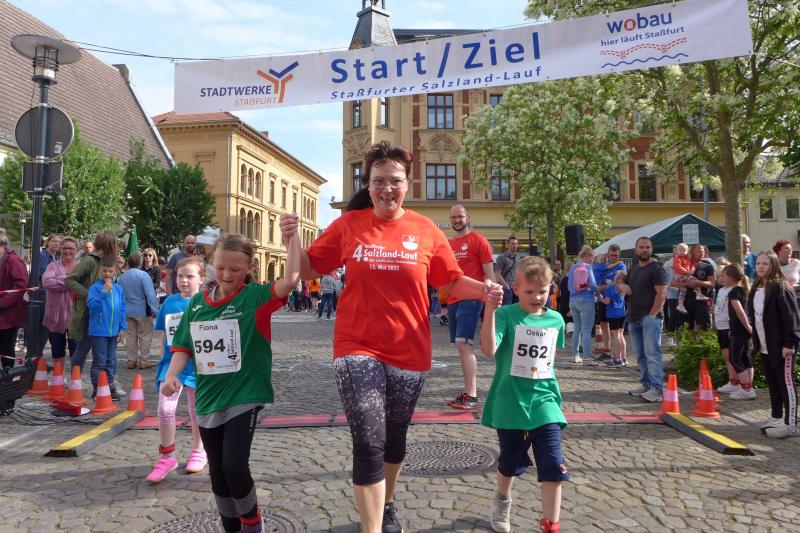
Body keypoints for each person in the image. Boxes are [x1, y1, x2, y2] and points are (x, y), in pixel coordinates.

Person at [295, 141, 502, 533]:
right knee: (368, 440)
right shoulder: (348, 226)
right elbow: (308, 269)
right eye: (378, 181)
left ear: (407, 183)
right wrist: (292, 238)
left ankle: (387, 502)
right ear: (367, 184)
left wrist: (486, 290)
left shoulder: (425, 230)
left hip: (409, 349)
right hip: (356, 346)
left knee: (394, 440)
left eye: (394, 181)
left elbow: (450, 280)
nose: (386, 188)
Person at [163, 228, 299, 533]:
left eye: (235, 270)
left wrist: (291, 239)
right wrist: (171, 374)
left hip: (244, 395)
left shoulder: (255, 298)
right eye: (221, 267)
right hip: (208, 399)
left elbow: (290, 280)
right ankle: (230, 526)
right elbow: (183, 346)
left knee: (234, 466)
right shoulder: (197, 304)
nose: (226, 275)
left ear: (248, 268)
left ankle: (252, 523)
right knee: (218, 474)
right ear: (211, 264)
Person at [479, 256, 569, 533]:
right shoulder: (506, 315)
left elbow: (549, 361)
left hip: (545, 402)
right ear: (516, 288)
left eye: (542, 291)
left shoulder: (555, 319)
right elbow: (488, 350)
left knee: (553, 465)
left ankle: (551, 525)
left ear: (550, 288)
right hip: (510, 402)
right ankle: (502, 499)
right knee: (509, 464)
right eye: (529, 291)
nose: (536, 297)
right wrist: (490, 310)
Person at [147, 257, 207, 483]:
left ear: (201, 279)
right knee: (165, 407)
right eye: (180, 276)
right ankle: (167, 456)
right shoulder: (169, 303)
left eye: (190, 276)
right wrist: (164, 360)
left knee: (196, 409)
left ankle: (199, 450)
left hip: (197, 365)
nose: (184, 280)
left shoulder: (206, 303)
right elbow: (165, 335)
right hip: (171, 364)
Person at [447, 204, 496, 410]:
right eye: (453, 217)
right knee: (461, 347)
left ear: (467, 217)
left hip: (472, 298)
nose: (457, 220)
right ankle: (468, 392)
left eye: (460, 216)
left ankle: (472, 395)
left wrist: (491, 298)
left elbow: (490, 275)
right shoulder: (448, 244)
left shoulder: (479, 241)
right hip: (452, 299)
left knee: (463, 344)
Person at [747, 251, 800, 438]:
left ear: (774, 265)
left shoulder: (780, 287)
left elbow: (791, 318)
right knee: (773, 383)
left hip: (782, 346)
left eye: (766, 264)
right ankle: (777, 417)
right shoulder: (757, 287)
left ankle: (790, 424)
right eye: (758, 263)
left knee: (786, 384)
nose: (761, 267)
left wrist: (789, 343)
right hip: (765, 345)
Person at [65, 231, 124, 395]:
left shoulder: (110, 262)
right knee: (84, 348)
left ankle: (109, 384)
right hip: (89, 312)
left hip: (107, 316)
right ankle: (76, 382)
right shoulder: (90, 260)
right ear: (110, 244)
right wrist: (89, 294)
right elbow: (70, 279)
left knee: (109, 355)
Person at [619, 237, 667, 403]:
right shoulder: (634, 268)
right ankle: (647, 385)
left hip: (650, 319)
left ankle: (657, 389)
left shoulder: (657, 269)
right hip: (634, 319)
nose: (645, 250)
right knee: (640, 355)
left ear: (651, 249)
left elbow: (662, 294)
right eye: (641, 247)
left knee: (652, 354)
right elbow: (620, 282)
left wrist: (652, 315)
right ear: (636, 249)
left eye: (647, 247)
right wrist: (622, 286)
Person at [86, 255, 127, 400]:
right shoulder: (95, 288)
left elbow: (122, 308)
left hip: (113, 331)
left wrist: (122, 327)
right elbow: (92, 306)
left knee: (110, 361)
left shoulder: (119, 289)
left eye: (110, 271)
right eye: (104, 271)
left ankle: (109, 386)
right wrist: (104, 292)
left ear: (115, 271)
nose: (107, 274)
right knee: (99, 361)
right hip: (99, 331)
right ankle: (97, 387)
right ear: (100, 271)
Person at [714, 264, 755, 400]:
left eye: (724, 276)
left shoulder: (733, 292)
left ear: (731, 277)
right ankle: (748, 387)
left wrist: (747, 327)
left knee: (735, 358)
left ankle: (746, 389)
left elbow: (740, 312)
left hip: (738, 329)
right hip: (740, 329)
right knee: (744, 357)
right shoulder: (741, 290)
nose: (722, 278)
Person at [117, 252, 159, 370]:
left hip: (127, 311)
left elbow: (119, 295)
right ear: (140, 262)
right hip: (143, 311)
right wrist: (155, 310)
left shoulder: (121, 277)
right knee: (145, 336)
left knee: (130, 336)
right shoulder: (143, 275)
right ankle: (143, 360)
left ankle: (131, 360)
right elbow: (150, 294)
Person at [42, 237, 80, 361]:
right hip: (56, 316)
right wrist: (71, 280)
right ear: (60, 249)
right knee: (57, 350)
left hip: (76, 316)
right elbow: (47, 282)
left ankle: (75, 374)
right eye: (65, 248)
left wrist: (59, 279)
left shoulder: (81, 267)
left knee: (76, 350)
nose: (68, 251)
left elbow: (85, 286)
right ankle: (59, 373)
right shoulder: (52, 266)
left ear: (76, 250)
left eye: (71, 248)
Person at [0, 229, 28, 374]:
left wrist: (2, 303)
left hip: (9, 315)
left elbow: (20, 286)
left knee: (6, 347)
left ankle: (7, 377)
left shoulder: (13, 260)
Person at [568, 245, 600, 365]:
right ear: (587, 256)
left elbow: (569, 287)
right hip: (586, 300)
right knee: (586, 330)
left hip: (573, 301)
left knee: (577, 328)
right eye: (592, 258)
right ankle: (587, 358)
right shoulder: (587, 267)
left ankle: (575, 356)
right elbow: (593, 284)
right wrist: (599, 293)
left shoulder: (573, 268)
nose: (593, 260)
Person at [672, 244, 715, 330]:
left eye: (703, 252)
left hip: (701, 302)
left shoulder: (708, 266)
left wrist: (697, 282)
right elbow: (673, 283)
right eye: (699, 251)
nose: (702, 253)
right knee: (684, 330)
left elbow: (712, 284)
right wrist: (687, 284)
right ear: (691, 252)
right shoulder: (684, 264)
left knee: (703, 329)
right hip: (685, 302)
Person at [595, 245, 626, 361]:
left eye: (616, 255)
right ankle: (607, 350)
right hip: (603, 298)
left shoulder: (621, 266)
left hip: (614, 301)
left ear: (619, 255)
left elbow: (620, 282)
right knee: (603, 324)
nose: (614, 257)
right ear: (608, 254)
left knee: (617, 332)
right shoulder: (605, 265)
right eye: (612, 255)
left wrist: (605, 287)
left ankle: (618, 356)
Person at [34, 233, 61, 354]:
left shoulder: (57, 258)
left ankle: (37, 357)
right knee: (42, 328)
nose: (57, 243)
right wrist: (61, 276)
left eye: (59, 242)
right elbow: (45, 275)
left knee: (48, 328)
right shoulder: (42, 256)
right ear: (48, 242)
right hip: (42, 295)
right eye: (54, 241)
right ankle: (35, 357)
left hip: (53, 296)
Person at [600, 270, 628, 367]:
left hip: (613, 314)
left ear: (617, 278)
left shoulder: (611, 288)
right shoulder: (623, 288)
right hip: (622, 313)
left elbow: (607, 301)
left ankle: (617, 359)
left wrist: (600, 298)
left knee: (615, 336)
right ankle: (624, 358)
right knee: (621, 335)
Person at [672, 243, 703, 314]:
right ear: (677, 251)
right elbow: (678, 267)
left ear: (687, 251)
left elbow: (690, 265)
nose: (682, 252)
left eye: (684, 250)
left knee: (683, 290)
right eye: (680, 250)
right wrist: (687, 272)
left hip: (684, 275)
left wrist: (692, 269)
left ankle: (680, 304)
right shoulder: (677, 258)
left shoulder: (687, 258)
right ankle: (698, 294)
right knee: (695, 279)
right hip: (680, 275)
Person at [662, 246, 679, 347]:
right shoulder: (668, 264)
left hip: (682, 293)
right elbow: (664, 280)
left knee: (681, 316)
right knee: (673, 315)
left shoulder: (685, 263)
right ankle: (670, 339)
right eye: (678, 253)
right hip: (671, 293)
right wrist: (670, 286)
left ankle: (680, 339)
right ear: (674, 253)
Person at [494, 236, 519, 306]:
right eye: (512, 244)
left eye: (516, 244)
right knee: (507, 309)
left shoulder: (517, 257)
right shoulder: (502, 257)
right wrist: (506, 286)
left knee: (516, 309)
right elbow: (497, 274)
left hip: (516, 288)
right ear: (507, 245)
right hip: (506, 289)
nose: (515, 246)